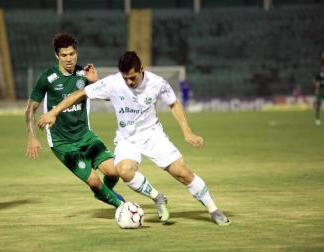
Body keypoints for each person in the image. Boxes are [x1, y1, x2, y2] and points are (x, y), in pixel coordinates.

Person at [38, 51, 231, 225]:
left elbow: (174, 104)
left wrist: (187, 131)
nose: (129, 82)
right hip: (127, 139)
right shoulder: (114, 82)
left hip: (153, 135)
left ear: (142, 69)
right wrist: (54, 112)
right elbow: (80, 94)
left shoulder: (157, 83)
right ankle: (158, 198)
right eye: (126, 78)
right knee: (123, 170)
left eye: (133, 77)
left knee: (183, 173)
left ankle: (214, 210)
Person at [25, 33, 137, 211]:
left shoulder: (84, 74)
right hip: (63, 143)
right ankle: (123, 208)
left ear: (76, 52)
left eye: (71, 54)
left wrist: (96, 82)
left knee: (114, 172)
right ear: (57, 56)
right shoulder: (47, 78)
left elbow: (112, 98)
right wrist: (31, 136)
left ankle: (104, 192)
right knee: (93, 181)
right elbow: (30, 108)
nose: (68, 59)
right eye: (64, 55)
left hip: (85, 135)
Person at [313, 53, 324, 126]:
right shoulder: (319, 74)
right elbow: (316, 82)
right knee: (318, 104)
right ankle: (317, 119)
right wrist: (317, 89)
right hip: (321, 90)